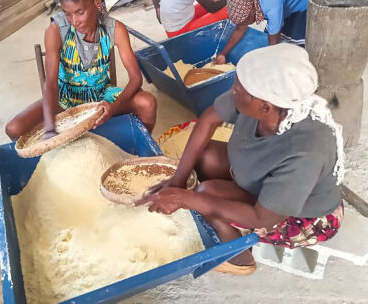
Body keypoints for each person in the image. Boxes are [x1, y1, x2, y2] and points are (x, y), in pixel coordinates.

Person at [137, 44, 344, 275]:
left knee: (204, 194)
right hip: (266, 182)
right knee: (206, 156)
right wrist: (178, 179)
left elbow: (263, 217)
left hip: (300, 215)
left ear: (264, 106)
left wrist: (185, 198)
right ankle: (215, 202)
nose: (233, 90)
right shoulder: (264, 101)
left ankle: (238, 256)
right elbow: (208, 120)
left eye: (238, 89)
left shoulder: (305, 151)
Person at [5, 0, 157, 141]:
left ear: (97, 3)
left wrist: (112, 108)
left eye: (79, 12)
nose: (74, 21)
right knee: (14, 129)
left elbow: (136, 78)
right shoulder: (56, 29)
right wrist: (49, 129)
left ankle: (138, 147)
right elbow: (51, 84)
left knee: (147, 103)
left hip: (101, 97)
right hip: (64, 100)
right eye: (67, 14)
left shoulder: (115, 29)